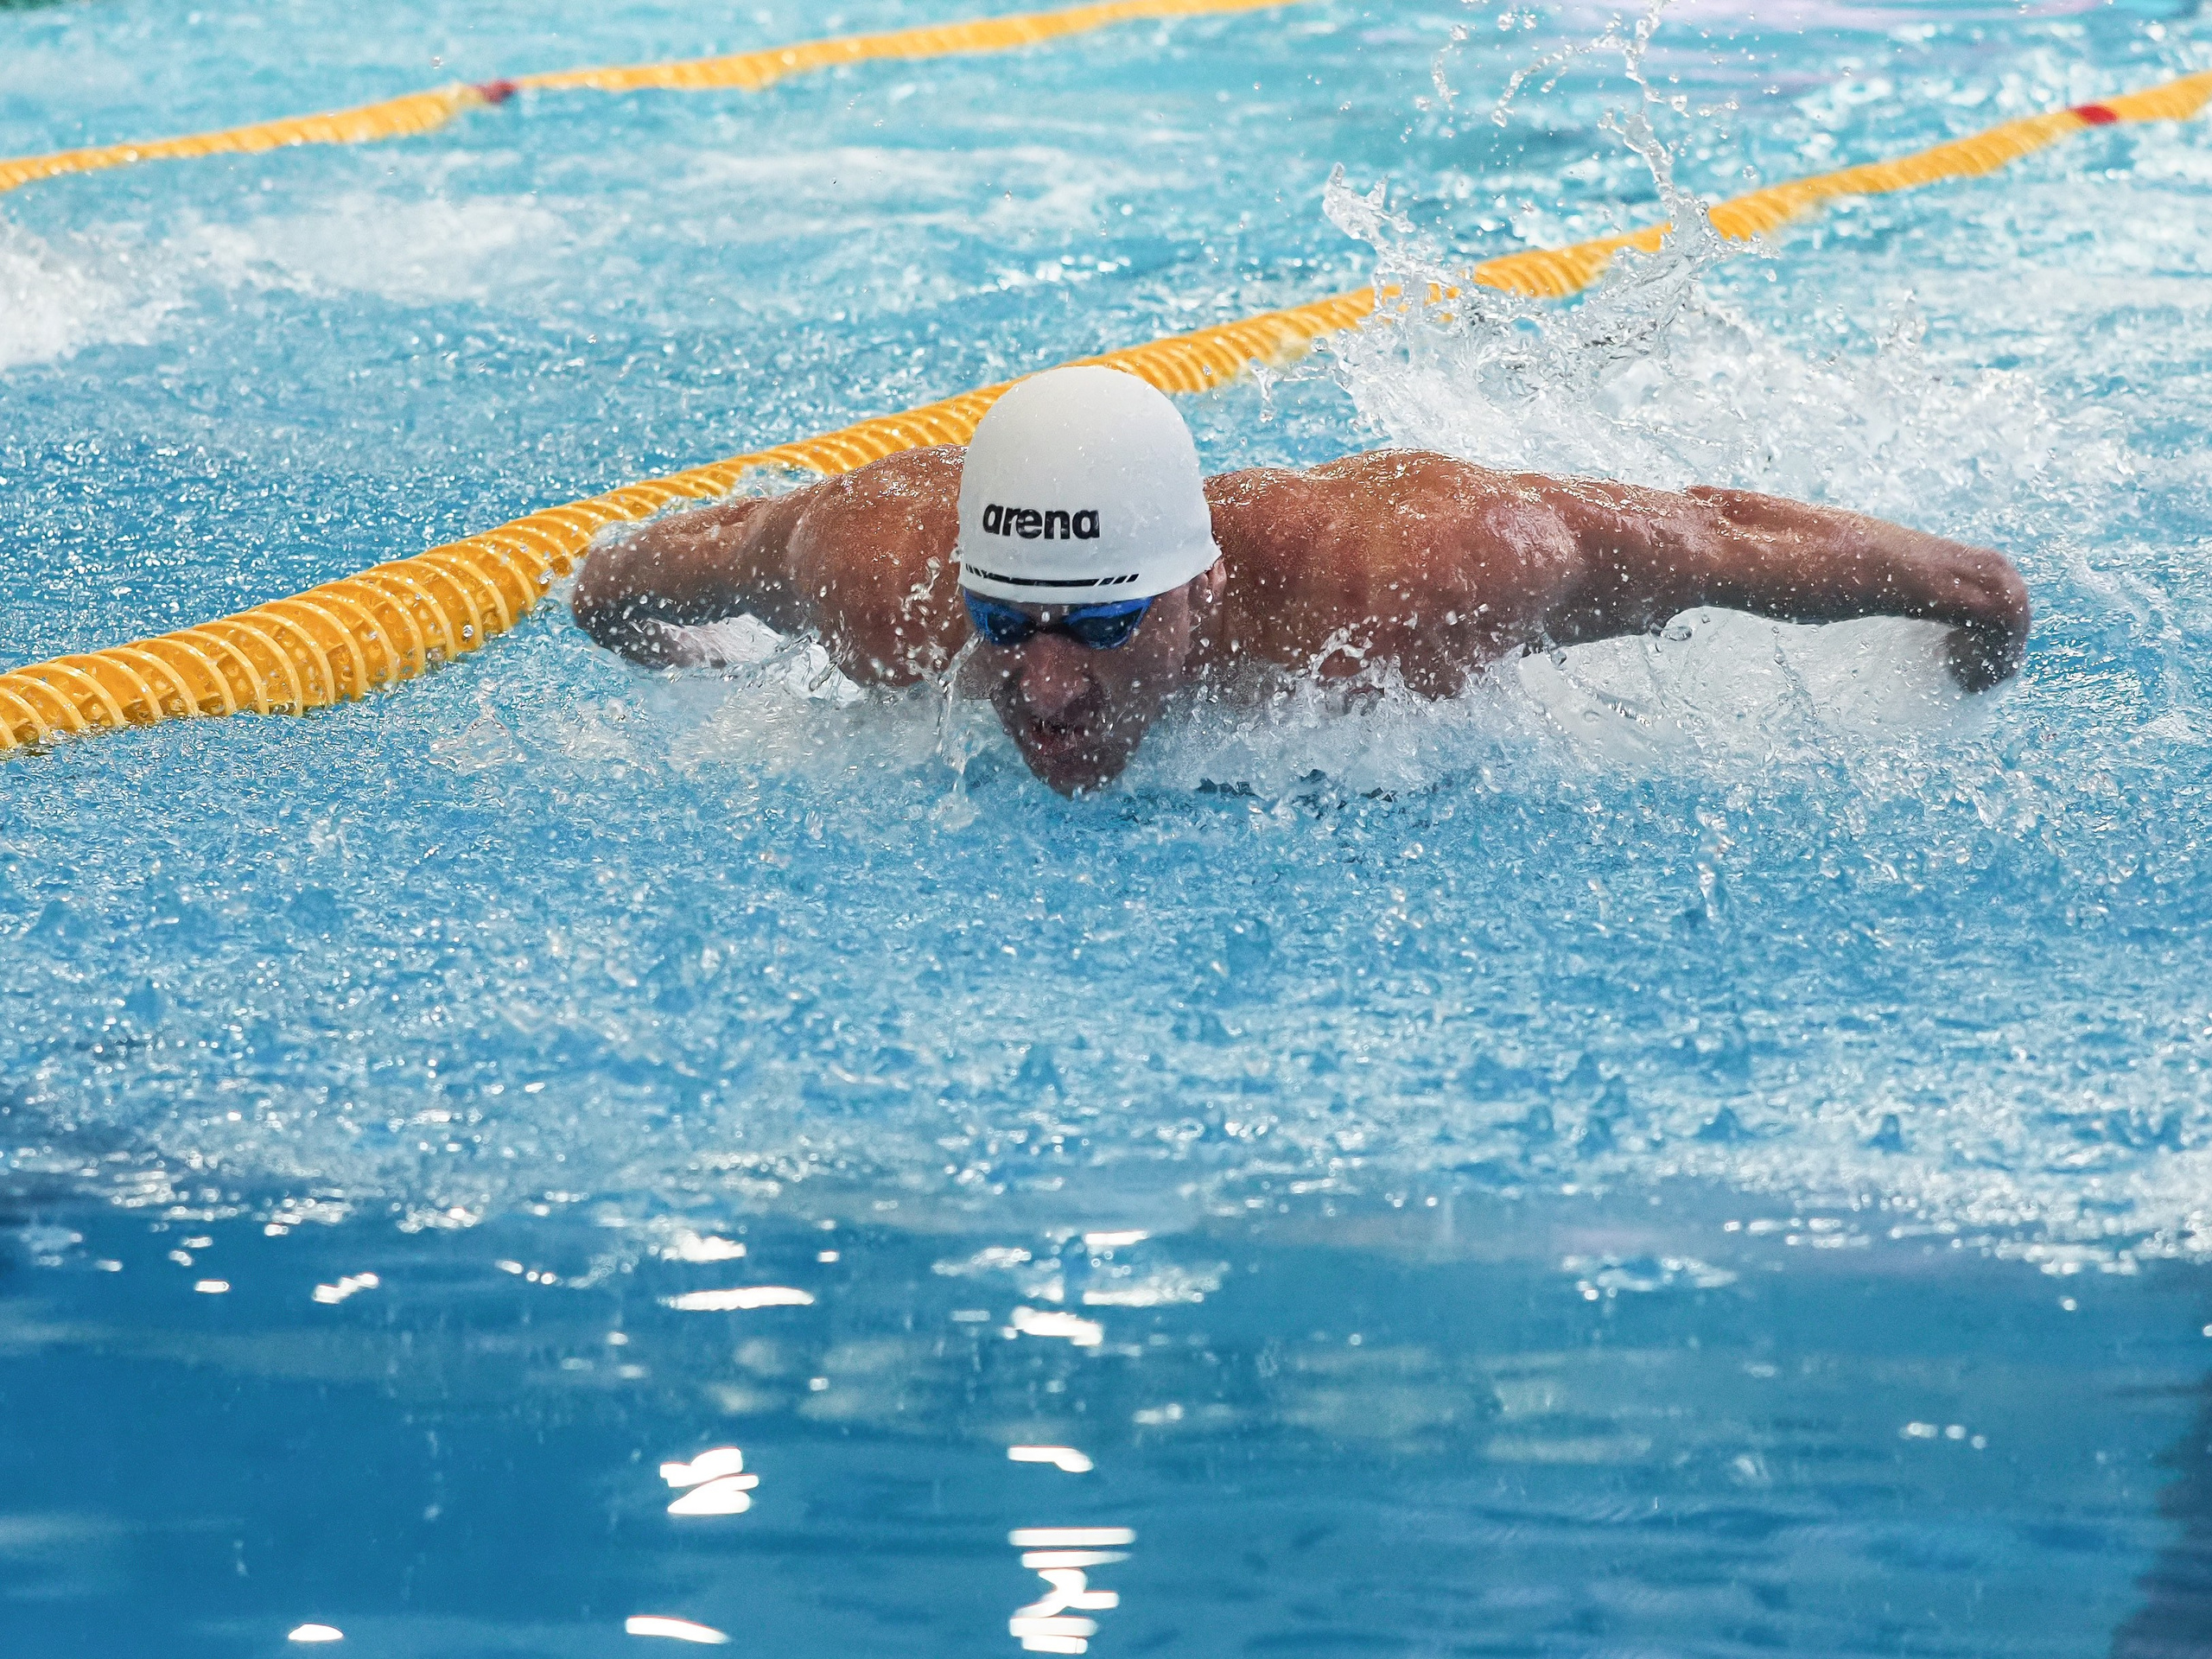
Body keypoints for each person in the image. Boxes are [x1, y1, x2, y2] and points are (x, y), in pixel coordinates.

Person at [573, 365, 2030, 794]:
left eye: (1104, 625)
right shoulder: (880, 575)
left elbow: (1717, 539)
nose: (1045, 687)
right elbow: (616, 585)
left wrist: (1972, 598)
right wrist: (674, 671)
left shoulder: (1412, 579)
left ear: (1199, 586)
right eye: (1005, 627)